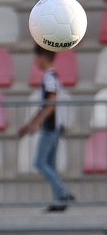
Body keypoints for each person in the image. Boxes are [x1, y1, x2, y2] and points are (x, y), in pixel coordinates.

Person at [18, 43, 75, 212]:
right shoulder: (52, 77)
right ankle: (59, 200)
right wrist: (29, 124)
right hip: (53, 125)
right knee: (50, 163)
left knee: (40, 162)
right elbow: (45, 105)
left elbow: (51, 102)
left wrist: (37, 123)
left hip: (51, 126)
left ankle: (63, 193)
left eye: (36, 57)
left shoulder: (49, 77)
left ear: (42, 58)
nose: (35, 61)